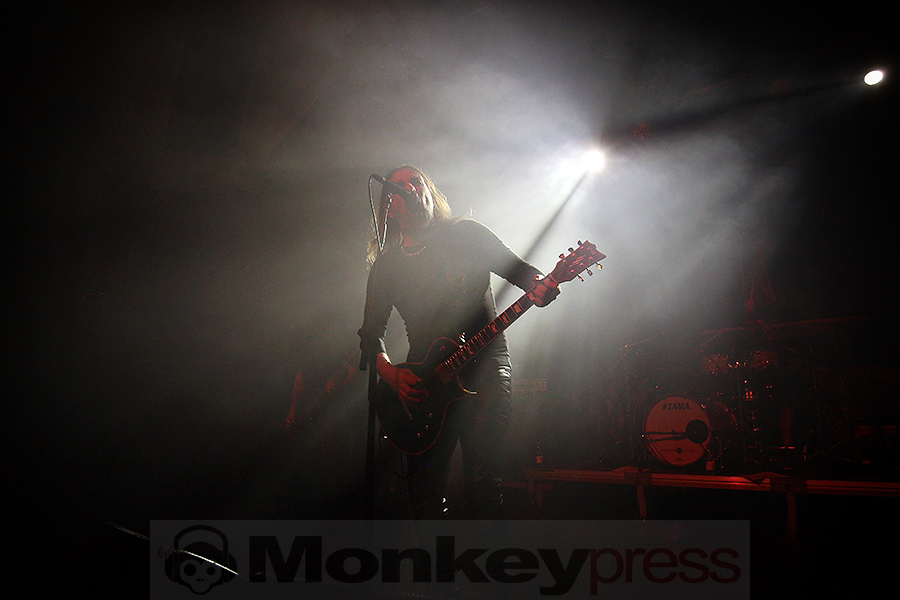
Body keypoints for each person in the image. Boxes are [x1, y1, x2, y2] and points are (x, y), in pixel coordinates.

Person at [358, 165, 559, 518]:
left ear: (429, 192)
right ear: (389, 206)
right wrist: (391, 375)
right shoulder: (386, 267)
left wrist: (542, 283)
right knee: (423, 495)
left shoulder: (466, 235)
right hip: (423, 383)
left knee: (483, 485)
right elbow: (369, 336)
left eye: (416, 182)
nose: (410, 189)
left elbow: (520, 270)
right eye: (399, 187)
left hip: (485, 368)